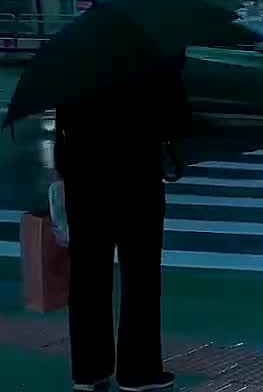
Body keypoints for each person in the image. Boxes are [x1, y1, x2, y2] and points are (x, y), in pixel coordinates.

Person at [58, 54, 191, 392]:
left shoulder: (76, 64)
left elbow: (63, 125)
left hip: (84, 182)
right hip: (136, 180)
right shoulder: (152, 63)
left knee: (88, 275)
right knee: (141, 277)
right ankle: (138, 370)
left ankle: (89, 370)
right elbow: (177, 121)